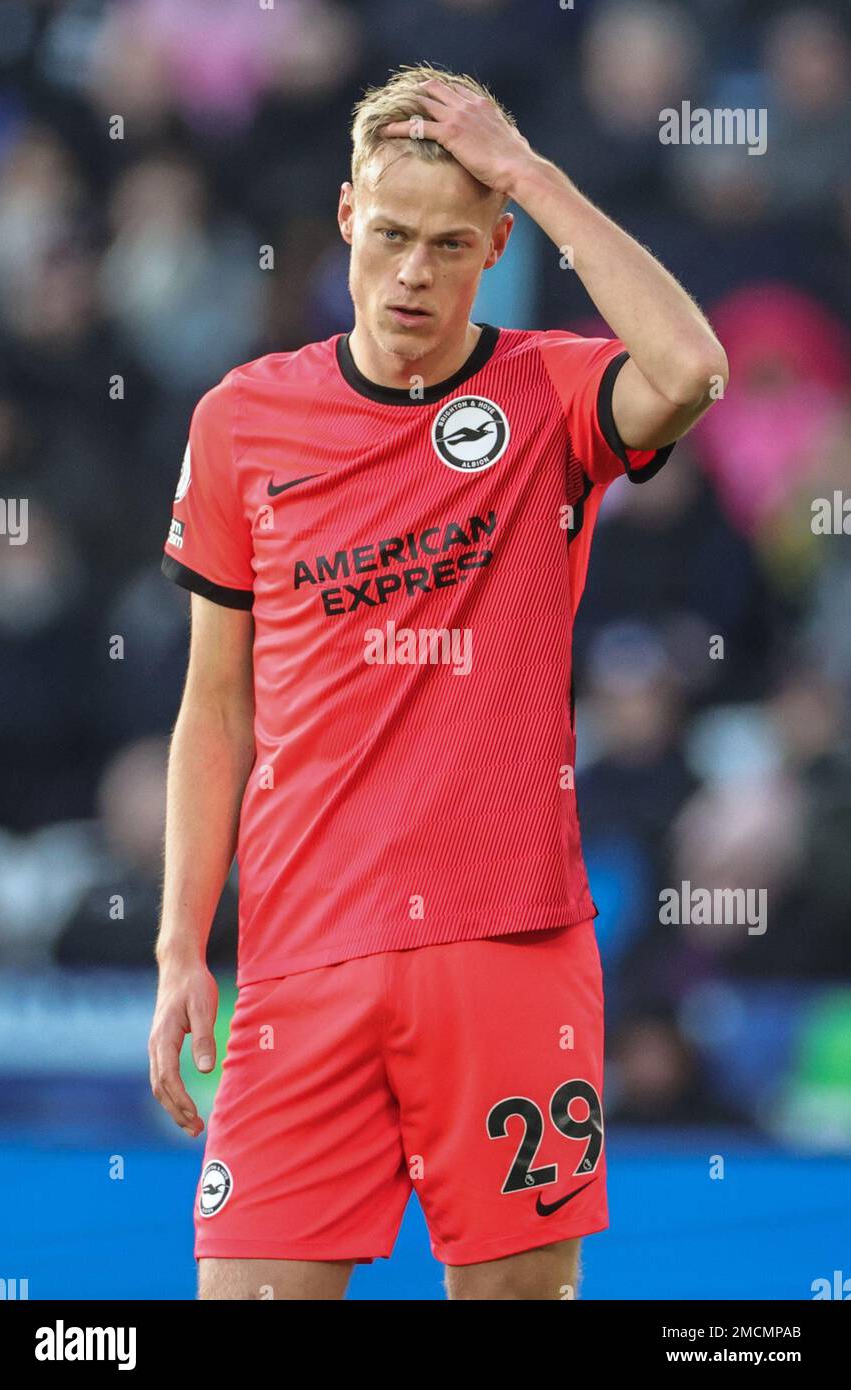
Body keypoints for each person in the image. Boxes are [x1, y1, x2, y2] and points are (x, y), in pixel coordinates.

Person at [150, 62, 728, 1301]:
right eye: (394, 234)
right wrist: (179, 945)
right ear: (348, 216)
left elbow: (688, 364)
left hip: (508, 947)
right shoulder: (241, 421)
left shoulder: (549, 391)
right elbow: (217, 705)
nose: (413, 271)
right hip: (303, 953)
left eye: (453, 242)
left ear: (497, 245)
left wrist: (530, 167)